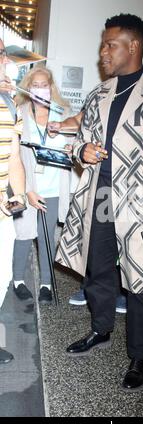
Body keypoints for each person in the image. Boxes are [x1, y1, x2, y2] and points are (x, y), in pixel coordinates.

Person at [56, 13, 143, 391]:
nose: (102, 52)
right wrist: (83, 149)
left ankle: (139, 355)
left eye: (110, 44)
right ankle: (100, 330)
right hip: (99, 197)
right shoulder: (99, 94)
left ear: (134, 46)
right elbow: (77, 144)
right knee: (98, 270)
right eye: (103, 44)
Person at [48, 112, 128, 312]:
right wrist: (60, 124)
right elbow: (77, 120)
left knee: (122, 244)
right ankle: (89, 286)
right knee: (93, 241)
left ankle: (123, 292)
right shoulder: (100, 93)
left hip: (129, 185)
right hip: (100, 183)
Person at [12, 66, 71, 304]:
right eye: (35, 85)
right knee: (24, 234)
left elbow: (75, 144)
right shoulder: (20, 112)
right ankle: (18, 280)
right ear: (28, 88)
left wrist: (70, 147)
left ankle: (46, 283)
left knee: (47, 237)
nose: (40, 89)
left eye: (44, 85)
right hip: (27, 185)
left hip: (53, 188)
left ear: (51, 87)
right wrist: (26, 190)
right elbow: (13, 153)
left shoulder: (63, 113)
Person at [0, 38, 26, 364]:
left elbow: (15, 158)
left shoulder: (10, 103)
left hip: (4, 213)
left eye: (2, 51)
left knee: (3, 278)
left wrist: (18, 194)